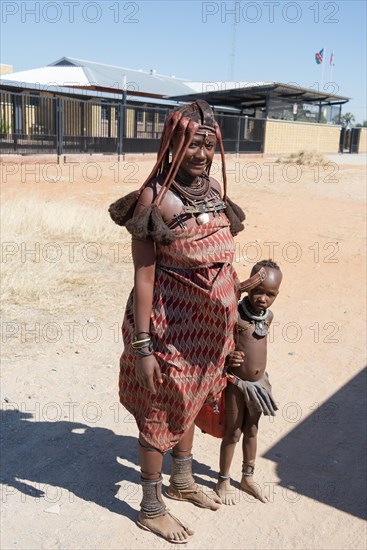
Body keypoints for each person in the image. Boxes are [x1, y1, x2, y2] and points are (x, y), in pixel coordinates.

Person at [109, 100, 245, 543]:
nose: (201, 155)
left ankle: (182, 480)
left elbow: (220, 259)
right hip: (169, 327)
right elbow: (144, 274)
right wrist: (143, 347)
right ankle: (150, 507)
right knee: (161, 408)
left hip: (209, 334)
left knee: (193, 399)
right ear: (172, 143)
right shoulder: (157, 198)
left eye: (208, 145)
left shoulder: (214, 190)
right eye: (191, 146)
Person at [216, 259, 282, 505]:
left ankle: (247, 477)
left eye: (270, 294)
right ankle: (223, 479)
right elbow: (219, 342)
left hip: (258, 386)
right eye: (257, 291)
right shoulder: (235, 314)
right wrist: (228, 357)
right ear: (249, 288)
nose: (263, 298)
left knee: (252, 430)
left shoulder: (268, 316)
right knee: (232, 432)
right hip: (236, 383)